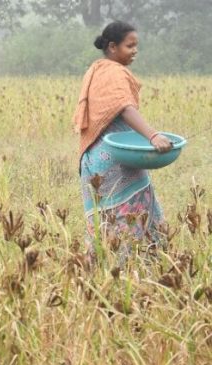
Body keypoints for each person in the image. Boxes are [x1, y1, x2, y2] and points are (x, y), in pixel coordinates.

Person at [73, 21, 172, 256]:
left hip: (94, 161)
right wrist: (154, 135)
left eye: (136, 45)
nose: (135, 50)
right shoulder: (113, 72)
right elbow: (124, 108)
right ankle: (133, 274)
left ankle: (99, 276)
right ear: (112, 47)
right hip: (115, 161)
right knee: (131, 222)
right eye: (130, 45)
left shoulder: (97, 69)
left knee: (103, 223)